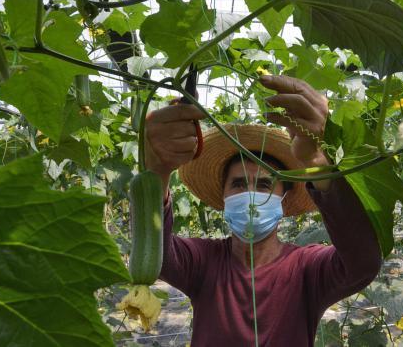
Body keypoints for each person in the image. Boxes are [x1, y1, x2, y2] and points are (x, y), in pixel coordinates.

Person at [144, 75, 381, 346]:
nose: (251, 196)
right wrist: (157, 172)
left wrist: (316, 158)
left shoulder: (307, 269)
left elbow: (363, 263)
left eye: (265, 184)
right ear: (224, 197)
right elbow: (155, 256)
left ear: (285, 197)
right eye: (238, 184)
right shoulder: (203, 262)